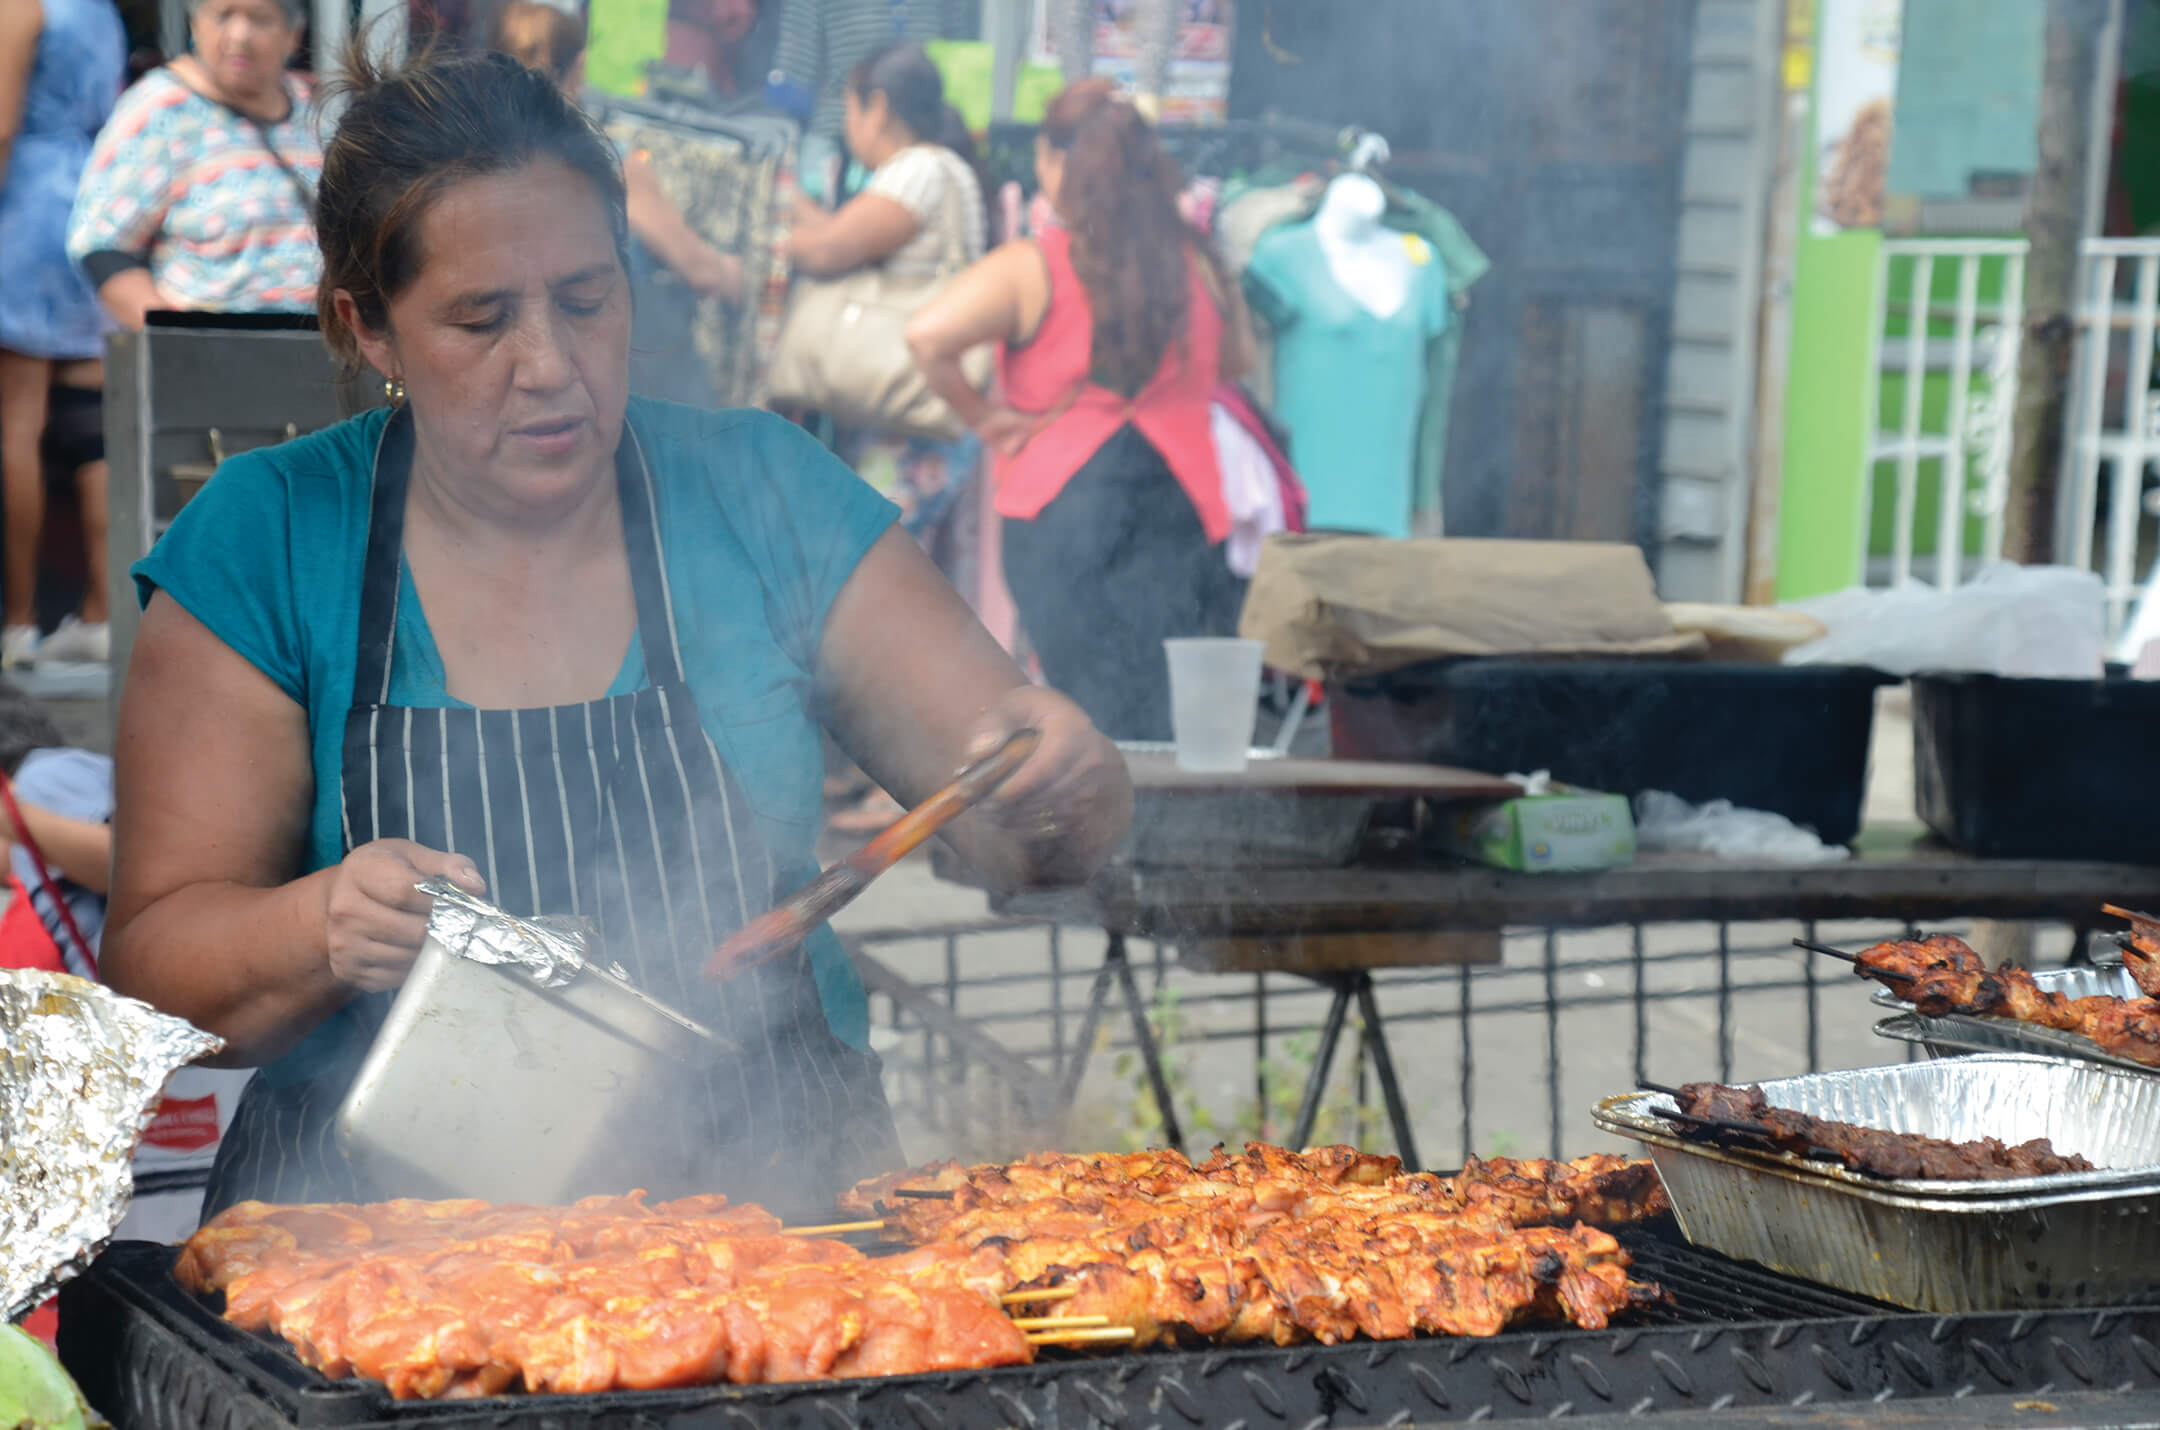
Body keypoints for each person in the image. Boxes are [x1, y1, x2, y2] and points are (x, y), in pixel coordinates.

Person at [105, 46, 1130, 1224]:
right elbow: (153, 974)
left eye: (587, 301)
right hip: (365, 1253)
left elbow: (1030, 831)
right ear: (368, 327)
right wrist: (318, 923)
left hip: (784, 1232)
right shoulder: (273, 535)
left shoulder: (764, 495)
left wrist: (1064, 782)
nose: (550, 366)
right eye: (481, 319)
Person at [907, 78, 1255, 743]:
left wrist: (985, 417)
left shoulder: (1033, 266)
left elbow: (927, 336)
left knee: (1087, 716)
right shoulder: (1198, 261)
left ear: (1057, 162)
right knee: (1166, 719)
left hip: (1062, 508)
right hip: (1181, 504)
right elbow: (1236, 359)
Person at [785, 42, 987, 833]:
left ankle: (907, 781)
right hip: (914, 428)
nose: (850, 127)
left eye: (852, 109)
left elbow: (830, 248)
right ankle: (879, 774)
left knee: (887, 609)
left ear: (878, 107)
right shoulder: (943, 171)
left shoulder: (920, 170)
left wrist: (781, 215)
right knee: (893, 602)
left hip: (913, 432)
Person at [0, 0, 126, 668]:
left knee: (16, 424)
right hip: (86, 199)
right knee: (87, 416)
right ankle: (101, 610)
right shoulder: (99, 10)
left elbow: (0, 124)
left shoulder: (21, 5)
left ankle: (18, 621)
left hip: (22, 207)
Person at [66, 0, 321, 328]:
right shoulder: (162, 109)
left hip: (319, 345)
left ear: (292, 36)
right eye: (223, 16)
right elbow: (101, 245)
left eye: (260, 20)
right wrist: (173, 338)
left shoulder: (317, 111)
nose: (239, 35)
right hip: (211, 346)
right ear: (196, 24)